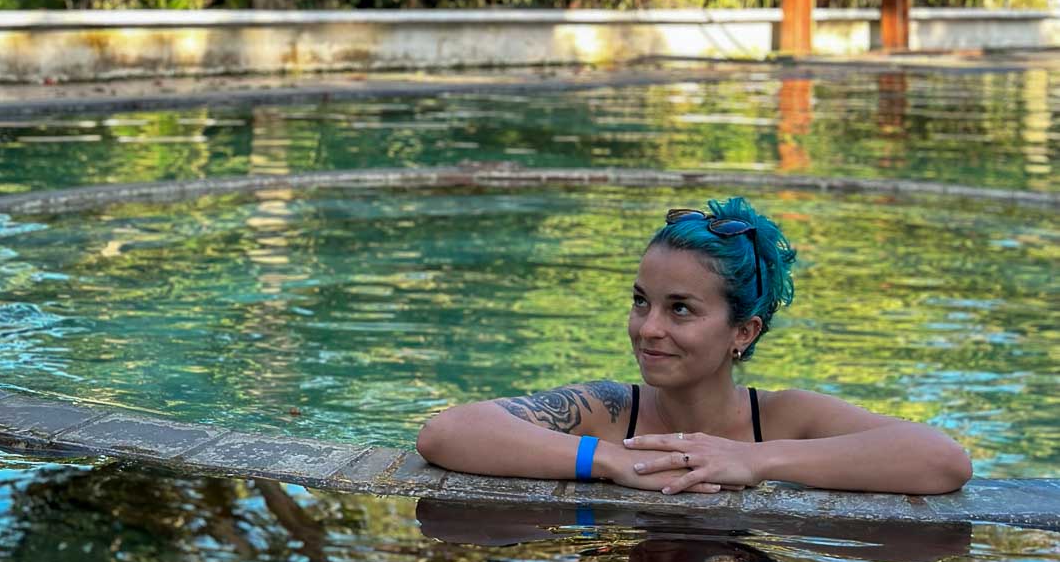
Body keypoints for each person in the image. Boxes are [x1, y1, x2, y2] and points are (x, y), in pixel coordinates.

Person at [416, 197, 973, 495]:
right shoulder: (610, 413)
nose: (648, 327)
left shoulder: (785, 418)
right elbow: (447, 432)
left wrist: (753, 461)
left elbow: (942, 460)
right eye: (641, 302)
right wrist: (606, 461)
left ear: (743, 332)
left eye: (680, 308)